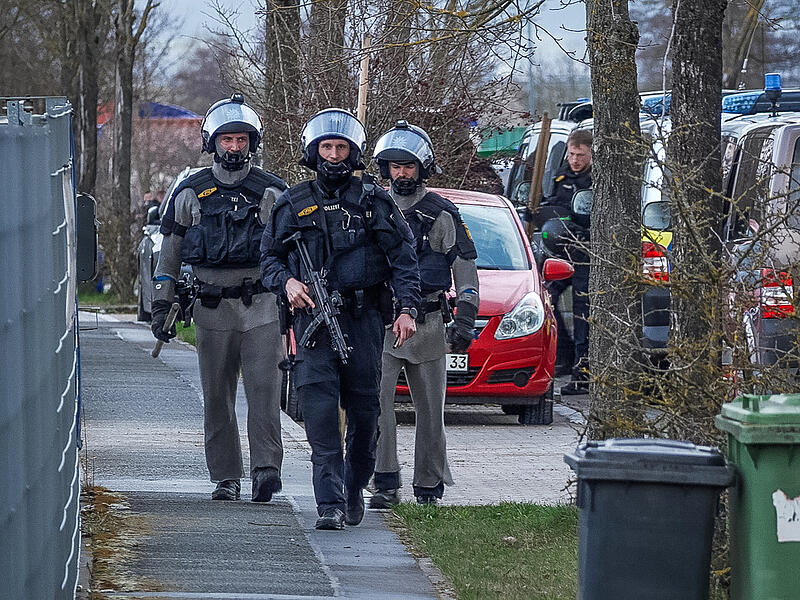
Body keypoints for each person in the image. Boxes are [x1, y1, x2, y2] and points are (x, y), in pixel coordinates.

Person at [260, 108, 421, 530]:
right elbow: (269, 259)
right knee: (319, 415)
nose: (334, 155)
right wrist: (288, 284)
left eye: (341, 147)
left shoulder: (374, 201)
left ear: (354, 153)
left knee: (366, 415)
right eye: (327, 147)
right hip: (312, 323)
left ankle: (353, 489)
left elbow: (403, 260)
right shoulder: (291, 203)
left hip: (363, 319)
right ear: (314, 152)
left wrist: (407, 309)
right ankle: (328, 503)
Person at [151, 93, 288, 502]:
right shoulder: (190, 192)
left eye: (242, 140)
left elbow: (293, 250)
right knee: (216, 395)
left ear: (253, 142)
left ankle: (266, 469)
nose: (234, 147)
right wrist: (162, 303)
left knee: (264, 391)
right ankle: (226, 475)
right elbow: (169, 254)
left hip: (261, 303)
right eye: (227, 140)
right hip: (211, 305)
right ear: (212, 142)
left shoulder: (272, 192)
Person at [369, 121, 479, 507]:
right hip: (380, 321)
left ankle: (429, 485)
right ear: (386, 169)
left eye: (409, 166)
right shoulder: (373, 208)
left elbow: (464, 265)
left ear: (423, 167)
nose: (401, 173)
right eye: (395, 166)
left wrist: (466, 315)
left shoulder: (441, 213)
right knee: (377, 405)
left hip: (429, 323)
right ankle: (383, 481)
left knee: (431, 410)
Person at [543, 128, 592, 395]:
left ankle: (582, 373)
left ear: (591, 154)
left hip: (588, 255)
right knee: (547, 299)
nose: (575, 159)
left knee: (583, 313)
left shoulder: (598, 180)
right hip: (563, 253)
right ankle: (563, 354)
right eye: (572, 154)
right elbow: (553, 206)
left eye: (580, 155)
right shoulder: (562, 177)